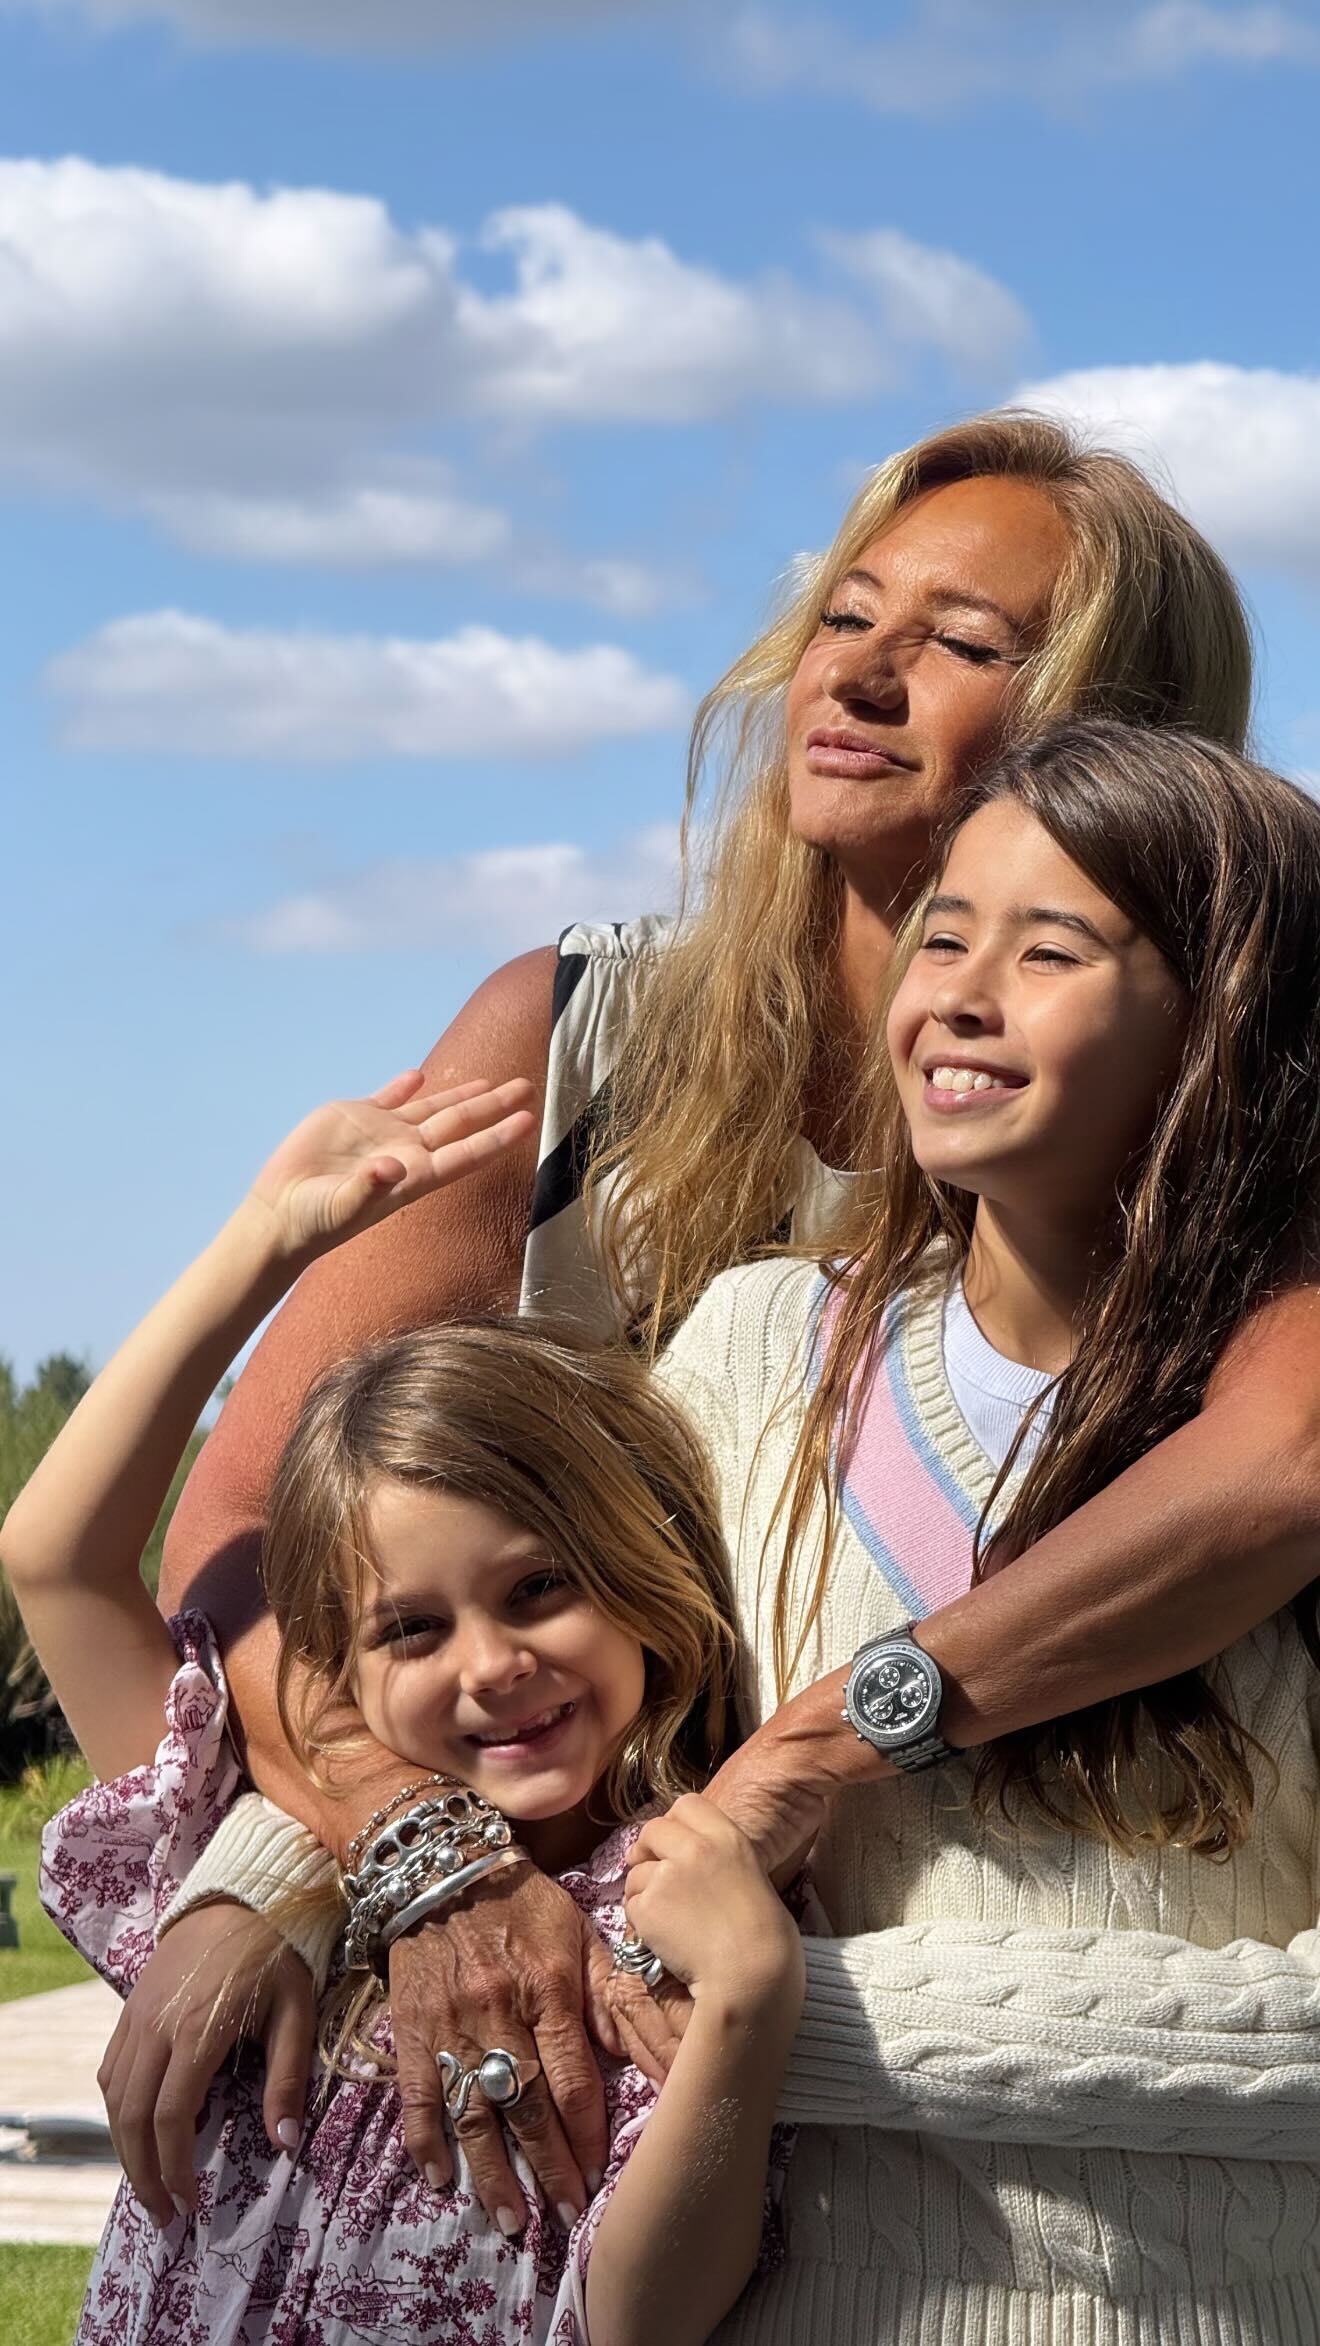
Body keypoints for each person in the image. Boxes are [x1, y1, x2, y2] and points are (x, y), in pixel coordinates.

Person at [120, 413, 1320, 2233]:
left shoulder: (1246, 1156)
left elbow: (1280, 1461)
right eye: (843, 613)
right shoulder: (574, 1038)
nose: (862, 668)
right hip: (564, 2060)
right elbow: (253, 1532)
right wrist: (375, 1848)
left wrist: (816, 1759)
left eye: (962, 640)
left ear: (1119, 737)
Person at [644, 717, 1320, 2341]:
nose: (957, 991)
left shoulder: (1281, 1426)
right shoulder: (753, 1352)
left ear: (1226, 1018)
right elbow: (540, 1747)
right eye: (943, 934)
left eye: (1051, 948)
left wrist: (783, 2019)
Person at [3, 1074, 805, 2346]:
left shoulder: (671, 1907)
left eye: (539, 1589)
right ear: (340, 1668)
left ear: (647, 1574)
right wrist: (264, 1240)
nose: (490, 1665)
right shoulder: (255, 1862)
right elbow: (56, 1558)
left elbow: (641, 2319)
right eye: (411, 1629)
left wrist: (749, 2004)